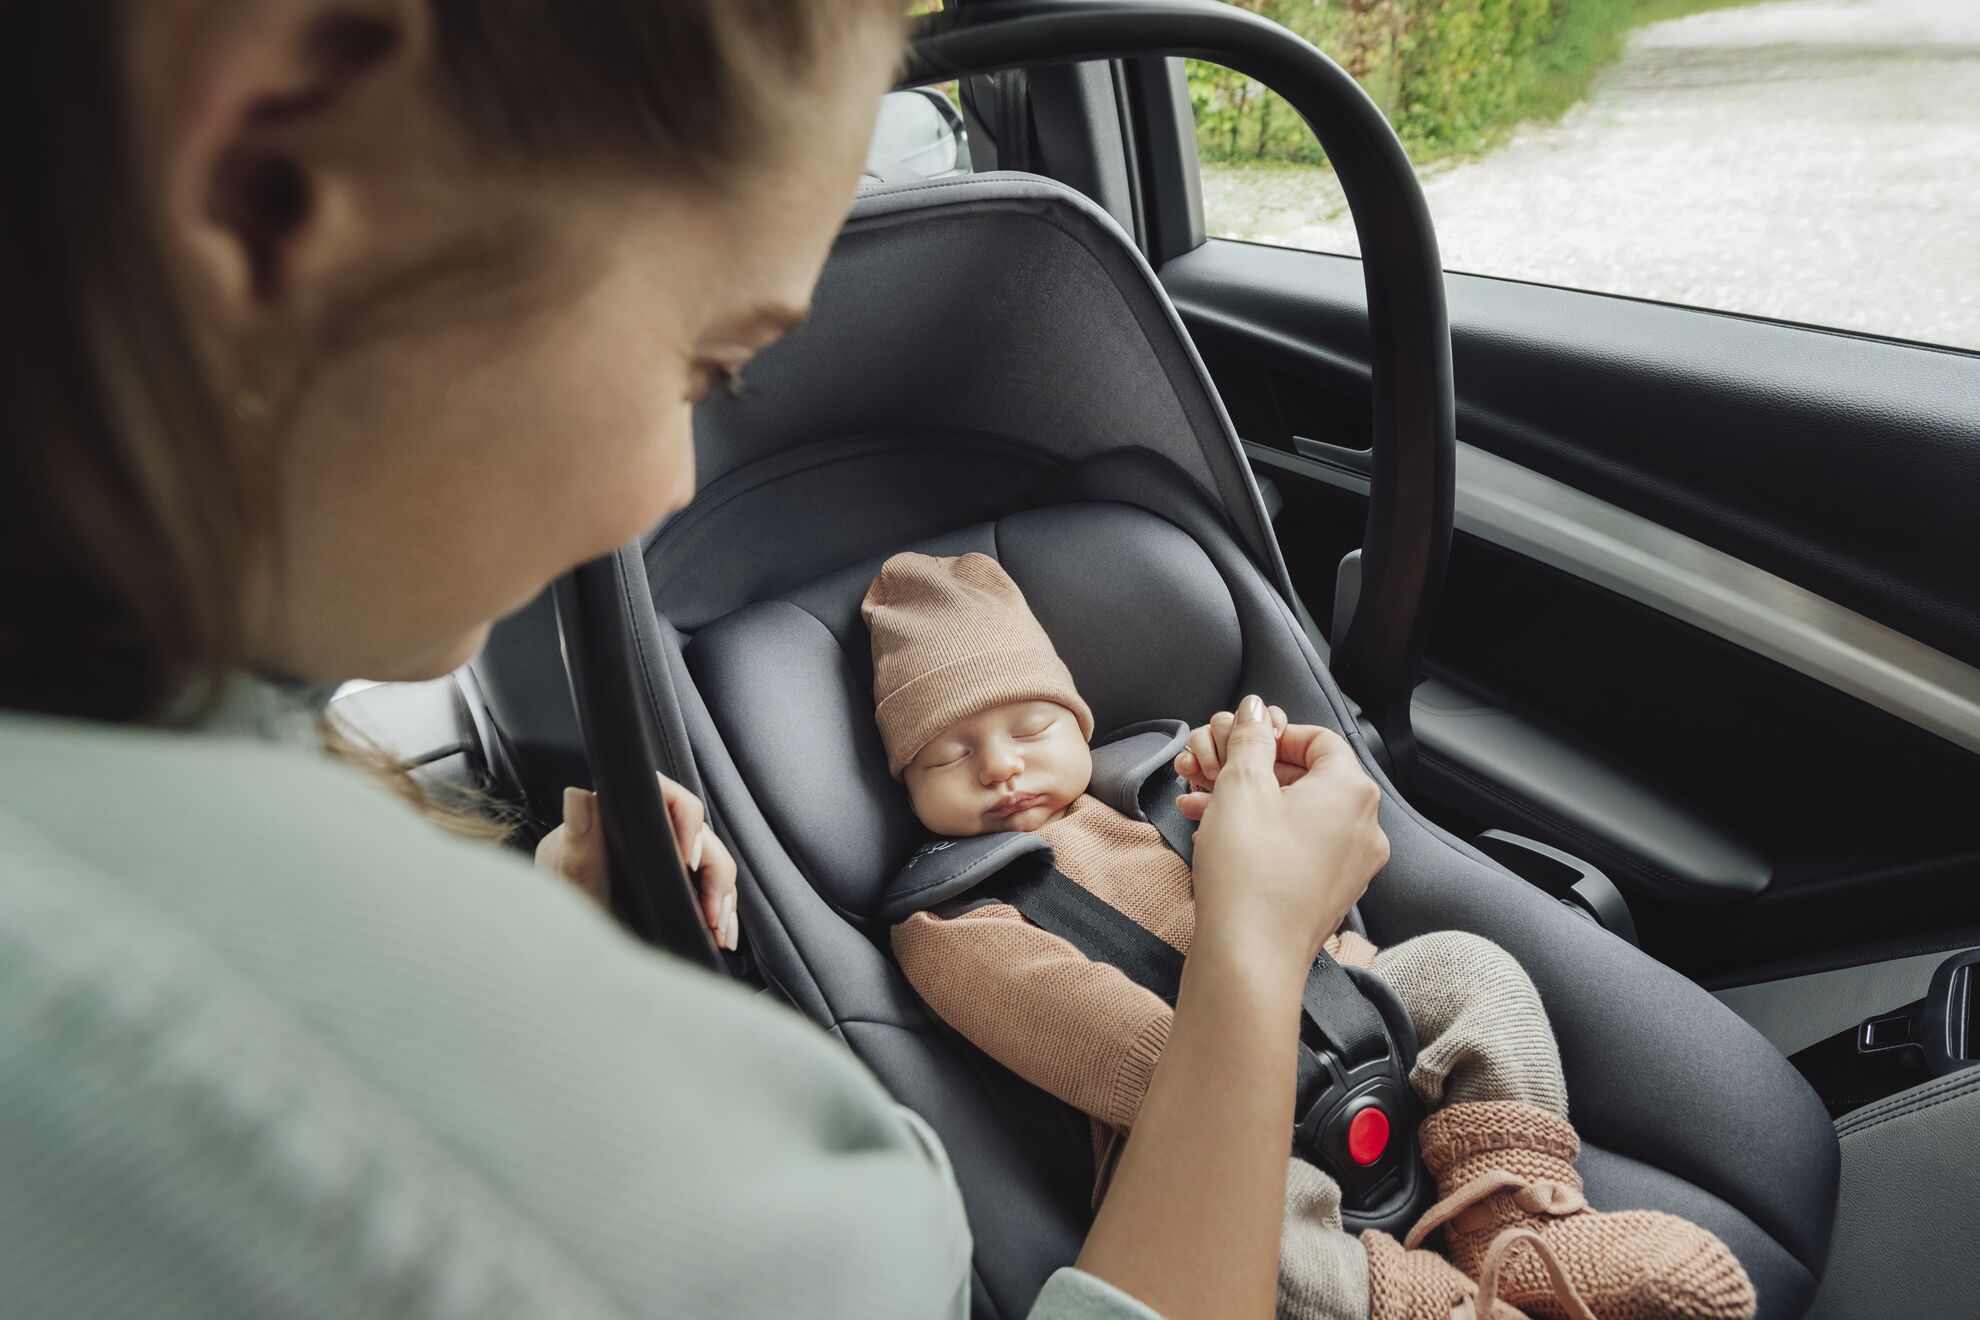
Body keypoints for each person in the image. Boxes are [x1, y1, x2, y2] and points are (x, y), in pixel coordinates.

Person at [1, 3, 1388, 1317]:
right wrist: (1257, 951)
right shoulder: (336, 1103)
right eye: (698, 363)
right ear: (274, 183)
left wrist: (563, 973)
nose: (663, 491)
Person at [860, 551, 1758, 1320]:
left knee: (1468, 969)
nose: (1001, 764)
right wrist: (1238, 1062)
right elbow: (1076, 1029)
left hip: (1344, 1008)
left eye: (1030, 726)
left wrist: (1271, 812)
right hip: (1198, 1124)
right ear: (906, 782)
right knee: (1262, 1244)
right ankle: (1421, 1300)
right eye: (947, 754)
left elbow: (1316, 903)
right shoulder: (955, 911)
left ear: (1080, 724)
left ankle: (1515, 1215)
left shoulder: (1155, 790)